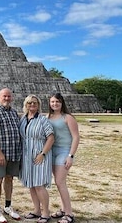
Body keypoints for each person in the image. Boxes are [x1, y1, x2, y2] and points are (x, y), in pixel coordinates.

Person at [0, 88, 22, 222]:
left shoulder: (13, 112)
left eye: (9, 96)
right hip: (1, 153)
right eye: (4, 96)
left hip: (13, 152)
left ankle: (8, 205)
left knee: (9, 178)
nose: (7, 98)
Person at [19, 95, 54, 223]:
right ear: (26, 105)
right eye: (29, 103)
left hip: (40, 155)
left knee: (39, 185)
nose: (32, 105)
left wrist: (43, 153)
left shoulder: (43, 120)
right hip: (27, 156)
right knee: (31, 185)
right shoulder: (23, 119)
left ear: (38, 105)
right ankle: (36, 210)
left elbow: (51, 137)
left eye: (34, 103)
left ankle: (45, 212)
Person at [48, 93, 79, 223]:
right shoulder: (48, 117)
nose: (55, 104)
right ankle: (63, 209)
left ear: (62, 103)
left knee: (61, 182)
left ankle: (69, 213)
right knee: (58, 182)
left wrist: (70, 156)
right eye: (53, 102)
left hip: (64, 152)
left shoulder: (68, 118)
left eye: (57, 102)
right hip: (52, 151)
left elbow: (76, 137)